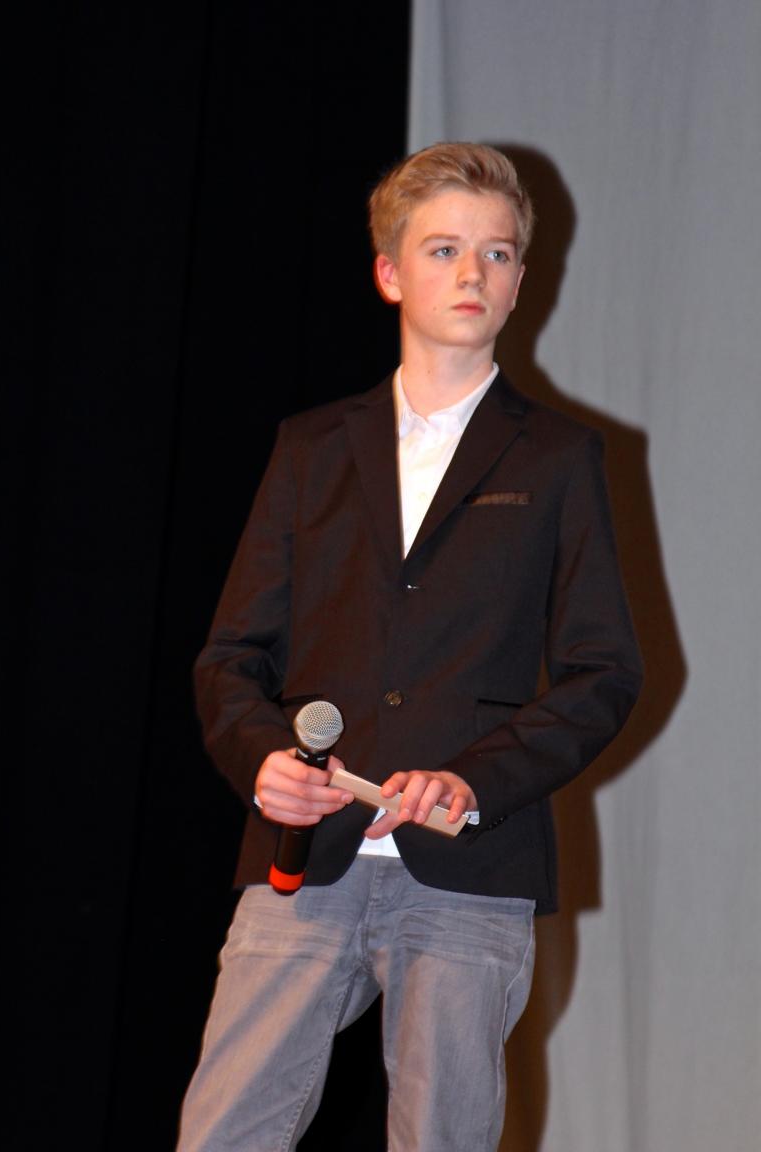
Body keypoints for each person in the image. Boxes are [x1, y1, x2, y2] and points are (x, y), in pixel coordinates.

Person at [176, 141, 643, 1151]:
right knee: (223, 1133)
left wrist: (475, 780)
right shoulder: (311, 448)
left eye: (498, 253)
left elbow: (604, 673)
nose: (474, 272)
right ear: (390, 273)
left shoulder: (561, 457)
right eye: (444, 249)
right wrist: (262, 763)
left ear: (521, 280)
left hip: (467, 868)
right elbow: (231, 656)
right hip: (305, 858)